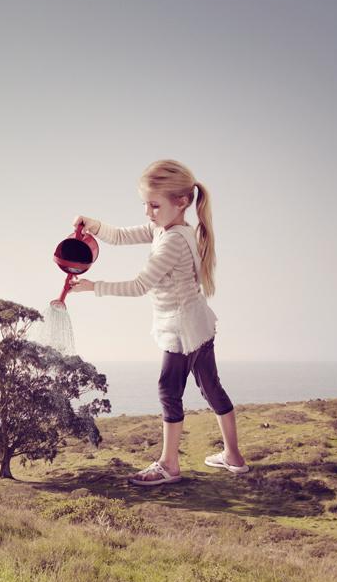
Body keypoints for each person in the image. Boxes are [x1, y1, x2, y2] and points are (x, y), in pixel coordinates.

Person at [68, 159, 249, 486]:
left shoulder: (172, 242)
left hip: (182, 331)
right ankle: (233, 457)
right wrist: (94, 225)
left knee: (169, 389)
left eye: (154, 205)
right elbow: (122, 236)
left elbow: (139, 285)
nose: (148, 213)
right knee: (211, 388)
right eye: (145, 205)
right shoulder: (173, 229)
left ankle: (169, 465)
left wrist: (95, 287)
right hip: (197, 325)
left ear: (181, 202)